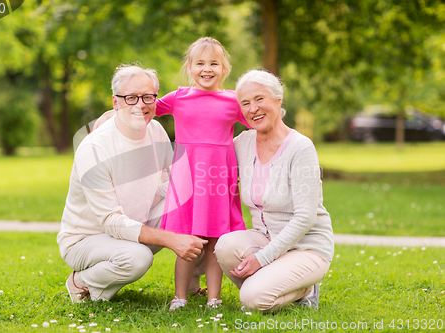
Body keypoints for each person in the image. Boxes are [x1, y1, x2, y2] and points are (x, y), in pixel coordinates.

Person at [57, 64, 207, 303]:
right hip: (86, 239)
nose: (140, 104)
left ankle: (190, 283)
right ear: (115, 103)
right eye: (131, 98)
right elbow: (111, 221)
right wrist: (171, 239)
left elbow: (174, 183)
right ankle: (80, 282)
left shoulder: (155, 130)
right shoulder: (94, 149)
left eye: (147, 97)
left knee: (191, 201)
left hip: (133, 224)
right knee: (138, 258)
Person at [214, 69, 334, 312]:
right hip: (265, 239)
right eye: (245, 103)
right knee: (225, 246)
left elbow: (306, 217)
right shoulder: (243, 143)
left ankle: (306, 289)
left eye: (260, 99)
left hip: (306, 247)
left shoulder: (300, 148)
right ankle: (275, 282)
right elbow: (207, 163)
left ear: (278, 100)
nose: (253, 108)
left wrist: (262, 258)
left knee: (253, 299)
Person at [155, 37, 249, 310]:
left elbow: (258, 122)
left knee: (215, 242)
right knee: (187, 239)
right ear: (190, 67)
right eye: (200, 63)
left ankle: (214, 299)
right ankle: (180, 296)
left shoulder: (233, 101)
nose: (207, 69)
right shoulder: (179, 97)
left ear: (224, 69)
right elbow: (146, 108)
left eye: (214, 63)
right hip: (187, 180)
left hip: (219, 179)